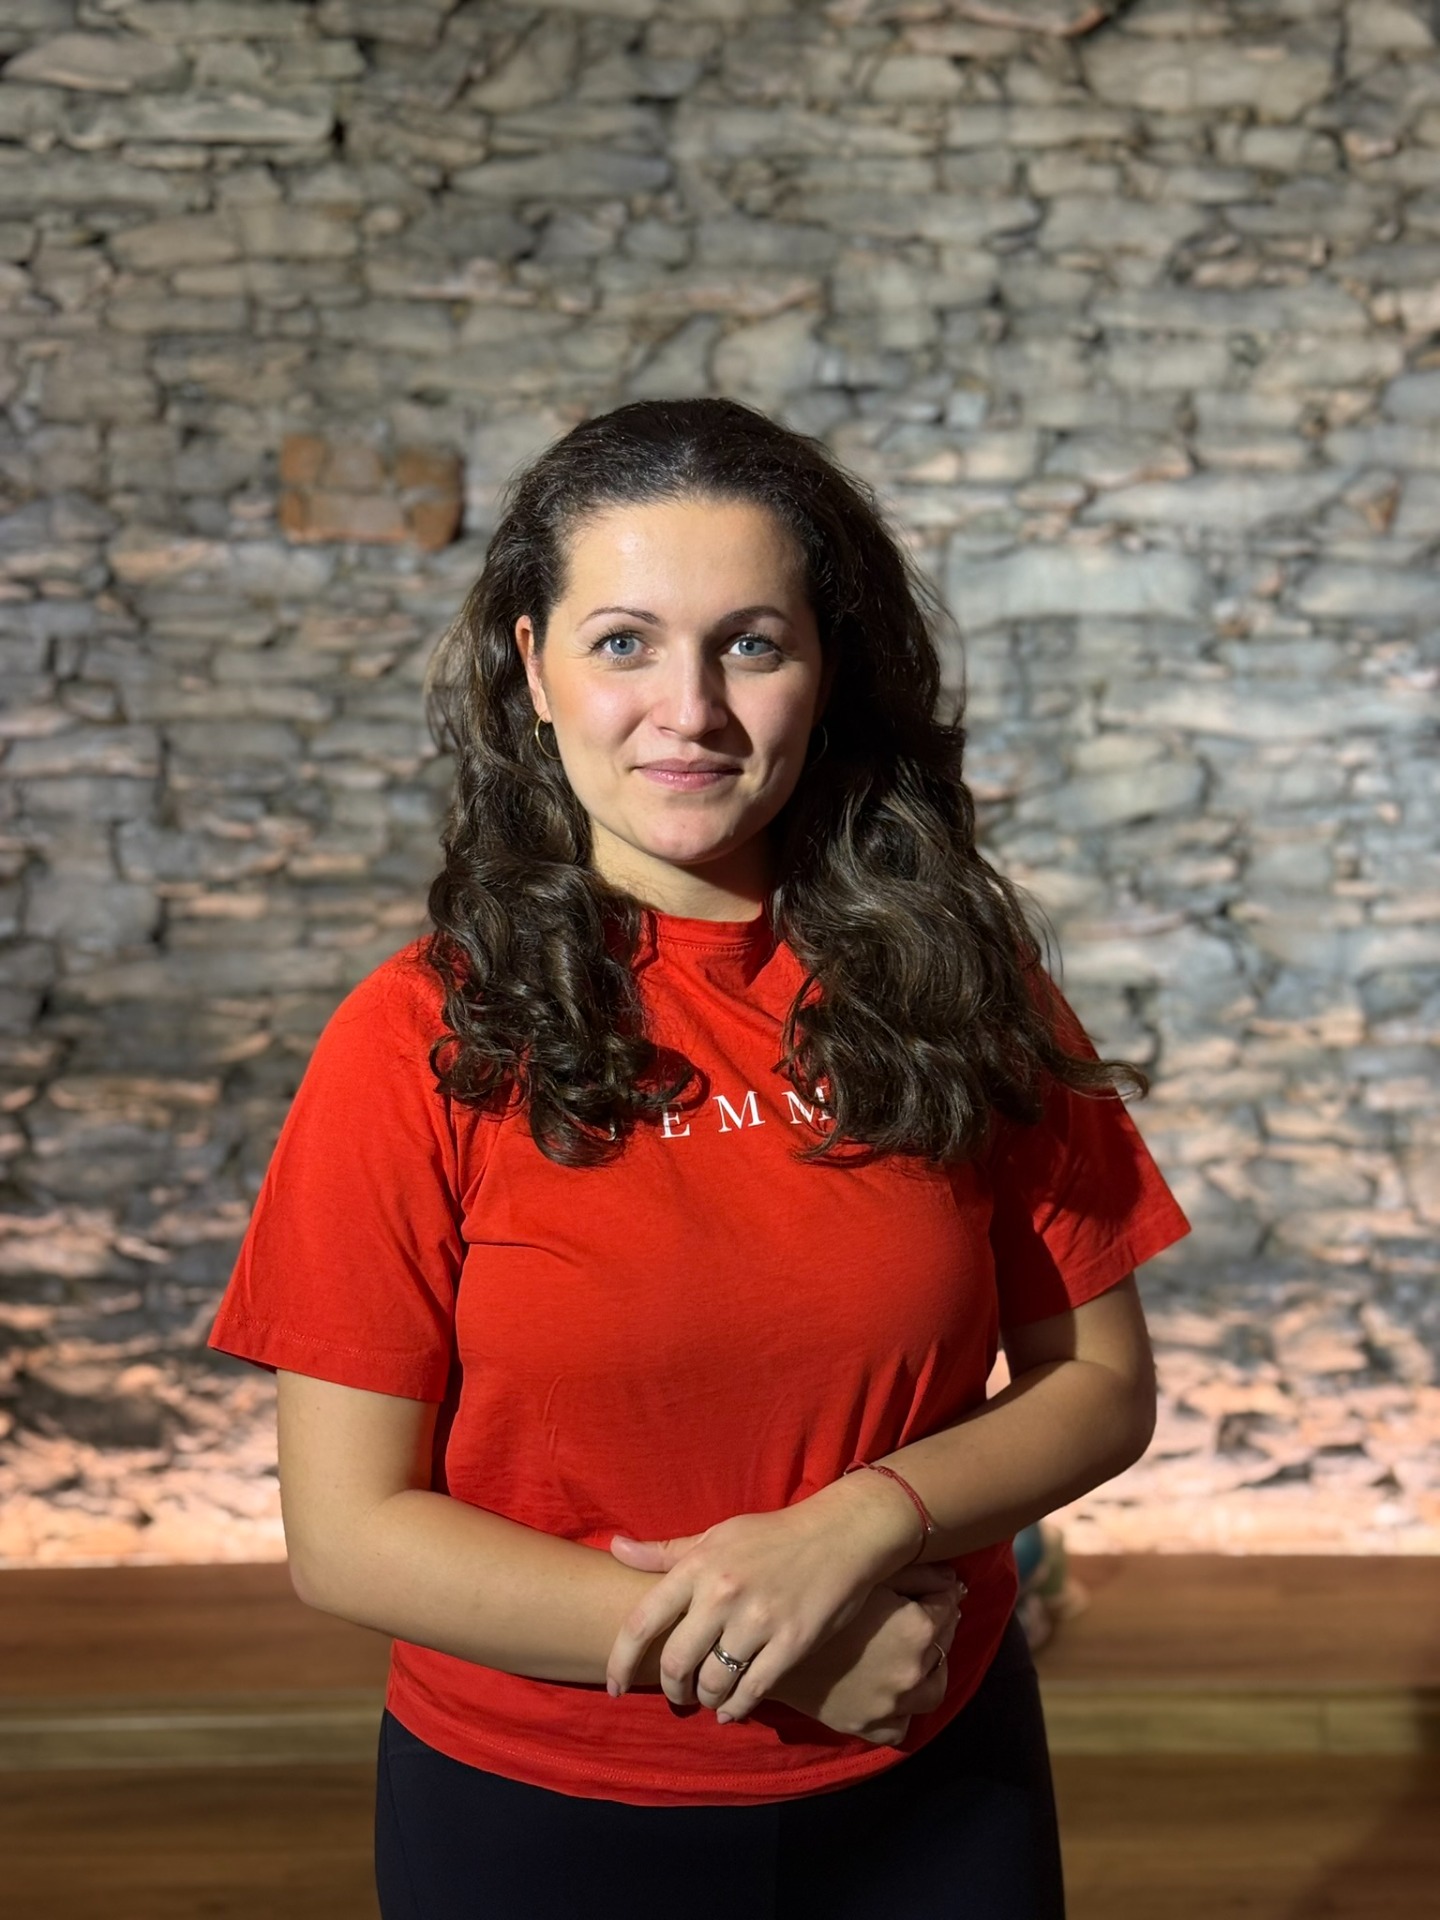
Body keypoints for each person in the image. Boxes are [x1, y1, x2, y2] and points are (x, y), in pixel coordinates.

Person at [207, 396, 1190, 1919]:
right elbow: (346, 1540)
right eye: (623, 643)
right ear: (532, 670)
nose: (692, 710)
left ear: (827, 668)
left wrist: (857, 1526)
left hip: (936, 1779)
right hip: (543, 1821)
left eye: (750, 644)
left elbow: (1102, 1385)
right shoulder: (411, 1041)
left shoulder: (957, 987)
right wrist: (780, 1643)